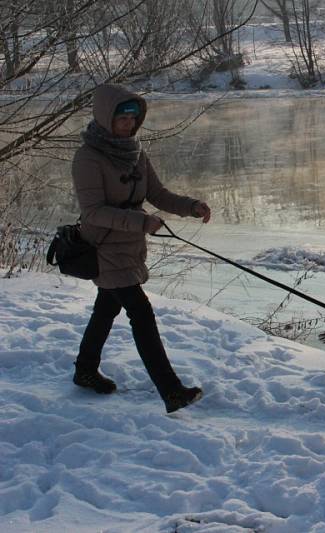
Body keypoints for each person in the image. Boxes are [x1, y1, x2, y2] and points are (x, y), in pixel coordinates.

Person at [71, 83, 212, 413]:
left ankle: (84, 370)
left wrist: (191, 206)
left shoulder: (134, 151)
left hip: (129, 247)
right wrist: (141, 223)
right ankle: (171, 390)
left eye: (134, 117)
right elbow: (92, 212)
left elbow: (158, 195)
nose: (129, 123)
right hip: (104, 247)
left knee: (107, 308)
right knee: (141, 313)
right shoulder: (88, 157)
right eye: (123, 117)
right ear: (107, 117)